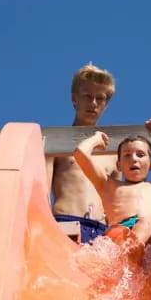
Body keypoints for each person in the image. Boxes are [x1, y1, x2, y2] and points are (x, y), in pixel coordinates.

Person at [73, 119, 151, 260]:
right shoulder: (108, 185)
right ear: (119, 165)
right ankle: (130, 254)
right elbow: (81, 153)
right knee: (122, 232)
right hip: (120, 236)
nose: (134, 159)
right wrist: (96, 138)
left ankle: (133, 251)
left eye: (140, 155)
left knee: (147, 224)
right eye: (127, 155)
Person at [49, 64, 121, 243]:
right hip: (66, 221)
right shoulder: (58, 143)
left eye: (100, 98)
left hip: (101, 229)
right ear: (74, 98)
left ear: (106, 104)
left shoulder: (112, 153)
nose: (93, 103)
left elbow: (117, 200)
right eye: (87, 96)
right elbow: (42, 192)